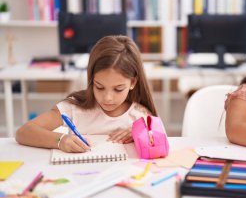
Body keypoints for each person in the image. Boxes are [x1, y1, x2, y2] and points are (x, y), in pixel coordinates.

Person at [16, 35, 157, 153]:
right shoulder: (73, 109)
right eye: (100, 87)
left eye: (118, 89)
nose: (107, 98)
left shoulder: (139, 114)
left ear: (132, 82)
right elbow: (23, 132)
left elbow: (158, 143)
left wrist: (140, 132)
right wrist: (60, 140)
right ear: (91, 80)